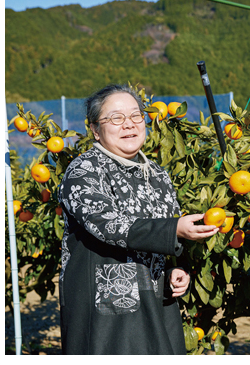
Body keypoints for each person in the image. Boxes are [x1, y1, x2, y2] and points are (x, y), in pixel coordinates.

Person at [58, 84, 220, 355]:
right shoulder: (84, 170)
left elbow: (159, 238)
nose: (129, 125)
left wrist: (173, 271)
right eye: (116, 118)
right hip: (106, 306)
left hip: (156, 302)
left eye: (135, 116)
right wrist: (174, 230)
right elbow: (109, 225)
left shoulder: (156, 173)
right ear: (95, 130)